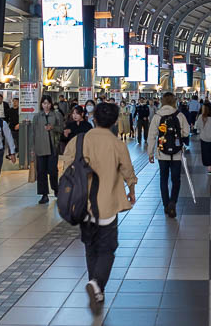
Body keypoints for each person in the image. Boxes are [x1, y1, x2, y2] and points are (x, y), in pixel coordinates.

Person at [60, 103, 137, 315]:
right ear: (114, 121)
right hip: (107, 204)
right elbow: (128, 170)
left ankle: (96, 288)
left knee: (90, 246)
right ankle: (97, 284)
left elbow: (65, 166)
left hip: (83, 205)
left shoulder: (80, 140)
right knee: (108, 248)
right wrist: (131, 189)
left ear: (93, 118)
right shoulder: (116, 144)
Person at [147, 92, 190, 218]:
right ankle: (173, 202)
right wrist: (177, 135)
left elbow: (151, 136)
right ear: (174, 101)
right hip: (176, 153)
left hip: (162, 153)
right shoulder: (179, 115)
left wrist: (150, 153)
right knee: (176, 179)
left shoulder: (157, 115)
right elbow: (186, 132)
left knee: (163, 179)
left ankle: (166, 205)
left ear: (162, 101)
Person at [31, 95, 63, 204]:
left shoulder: (57, 115)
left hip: (53, 147)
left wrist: (53, 128)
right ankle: (44, 194)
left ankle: (56, 188)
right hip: (40, 148)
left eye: (48, 103)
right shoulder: (37, 117)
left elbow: (62, 129)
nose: (46, 106)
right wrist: (32, 148)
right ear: (41, 104)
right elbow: (33, 133)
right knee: (41, 172)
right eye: (44, 103)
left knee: (53, 170)